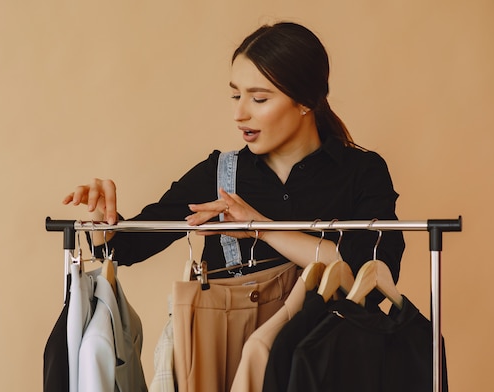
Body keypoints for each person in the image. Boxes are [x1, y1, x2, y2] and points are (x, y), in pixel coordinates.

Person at [63, 21, 405, 308]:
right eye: (235, 95)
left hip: (337, 368)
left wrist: (261, 227)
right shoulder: (219, 175)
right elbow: (126, 248)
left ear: (305, 101)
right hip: (235, 367)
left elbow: (374, 276)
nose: (240, 113)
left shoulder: (362, 172)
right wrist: (103, 218)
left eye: (258, 98)